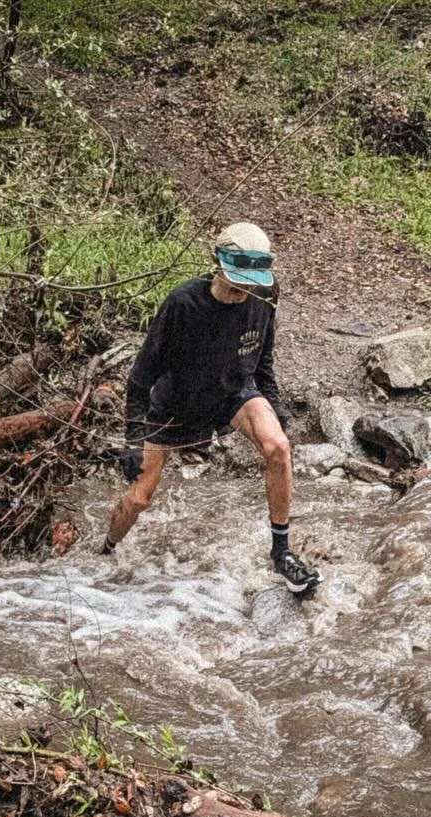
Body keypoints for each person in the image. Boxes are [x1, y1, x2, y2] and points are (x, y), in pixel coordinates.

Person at [99, 222, 321, 594]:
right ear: (216, 263)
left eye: (249, 284)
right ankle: (105, 551)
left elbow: (262, 360)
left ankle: (281, 553)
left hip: (232, 397)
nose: (242, 292)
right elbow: (139, 378)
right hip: (173, 409)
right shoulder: (183, 304)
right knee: (139, 498)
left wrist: (274, 406)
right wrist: (133, 438)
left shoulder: (266, 295)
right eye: (236, 283)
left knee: (278, 447)